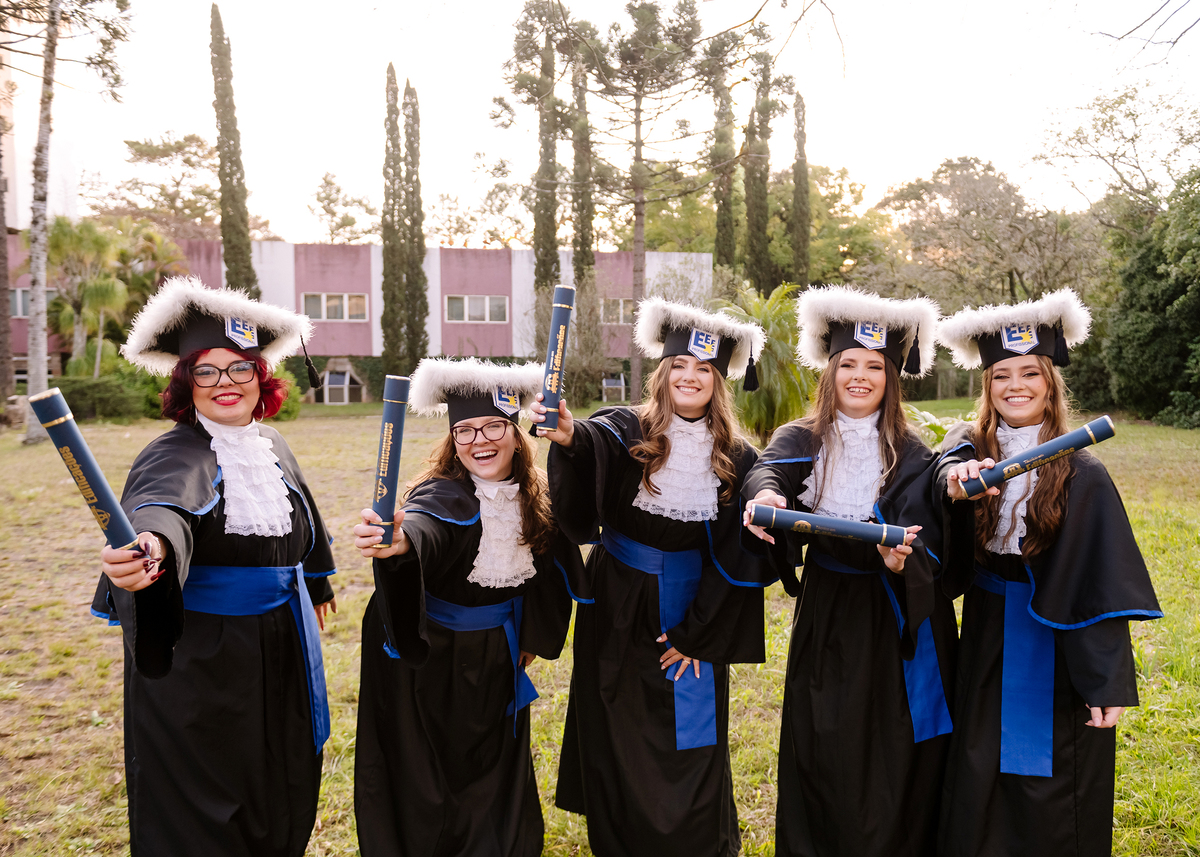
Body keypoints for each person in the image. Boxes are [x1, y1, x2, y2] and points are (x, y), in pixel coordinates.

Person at [93, 277, 336, 856]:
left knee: (275, 774)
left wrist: (318, 581)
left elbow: (303, 520)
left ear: (261, 379)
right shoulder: (172, 452)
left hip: (279, 640)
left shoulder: (272, 444)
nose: (225, 383)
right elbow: (161, 510)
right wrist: (149, 548)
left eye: (240, 369)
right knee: (210, 794)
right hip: (203, 654)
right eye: (207, 371)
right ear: (186, 384)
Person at [531, 298, 772, 857]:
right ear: (662, 373)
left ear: (719, 381)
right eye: (679, 367)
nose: (690, 377)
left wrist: (701, 633)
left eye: (704, 370)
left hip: (695, 607)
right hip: (617, 600)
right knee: (617, 721)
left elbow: (741, 553)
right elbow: (589, 444)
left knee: (692, 736)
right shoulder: (625, 427)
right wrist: (568, 437)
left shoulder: (735, 455)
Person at [933, 289, 1161, 857]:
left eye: (1030, 373)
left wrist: (1106, 682)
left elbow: (1099, 582)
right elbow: (934, 491)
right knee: (981, 758)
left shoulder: (1083, 470)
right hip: (987, 633)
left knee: (1055, 774)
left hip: (1058, 642)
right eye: (1002, 374)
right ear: (986, 386)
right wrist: (952, 483)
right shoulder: (966, 450)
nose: (1016, 386)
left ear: (1050, 382)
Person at [741, 285, 954, 857]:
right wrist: (766, 501)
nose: (860, 376)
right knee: (823, 735)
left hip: (892, 612)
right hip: (829, 606)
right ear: (830, 371)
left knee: (888, 742)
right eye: (848, 364)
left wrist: (899, 557)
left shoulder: (912, 452)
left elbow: (928, 529)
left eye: (875, 367)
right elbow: (767, 477)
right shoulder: (801, 436)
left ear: (891, 378)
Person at [352, 357, 579, 857]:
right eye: (465, 431)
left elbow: (548, 571)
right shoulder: (444, 494)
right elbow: (423, 528)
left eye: (494, 426)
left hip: (496, 650)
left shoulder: (534, 498)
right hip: (429, 656)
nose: (480, 441)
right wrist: (398, 542)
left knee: (490, 761)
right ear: (452, 441)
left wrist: (532, 640)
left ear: (516, 433)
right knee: (430, 770)